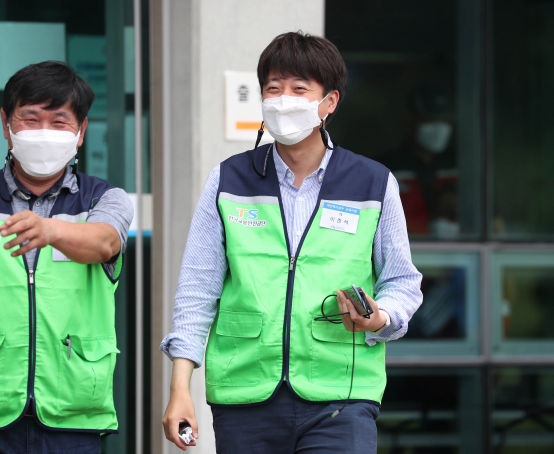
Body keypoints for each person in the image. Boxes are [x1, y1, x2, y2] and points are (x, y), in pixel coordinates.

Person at [160, 32, 423, 453]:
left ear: (329, 102)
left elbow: (402, 282)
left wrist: (381, 316)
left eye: (300, 89)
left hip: (342, 395)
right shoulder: (228, 180)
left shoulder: (373, 183)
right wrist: (179, 388)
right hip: (244, 394)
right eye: (273, 89)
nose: (284, 100)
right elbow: (196, 290)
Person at [0, 61, 133, 453]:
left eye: (59, 122)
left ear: (80, 133)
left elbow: (104, 243)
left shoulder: (104, 199)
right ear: (6, 124)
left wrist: (51, 231)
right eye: (30, 118)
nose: (44, 132)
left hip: (72, 413)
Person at [379, 85, 459, 239]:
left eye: (444, 120)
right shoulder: (385, 168)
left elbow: (495, 225)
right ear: (410, 119)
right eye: (430, 119)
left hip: (459, 258)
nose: (439, 127)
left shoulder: (462, 166)